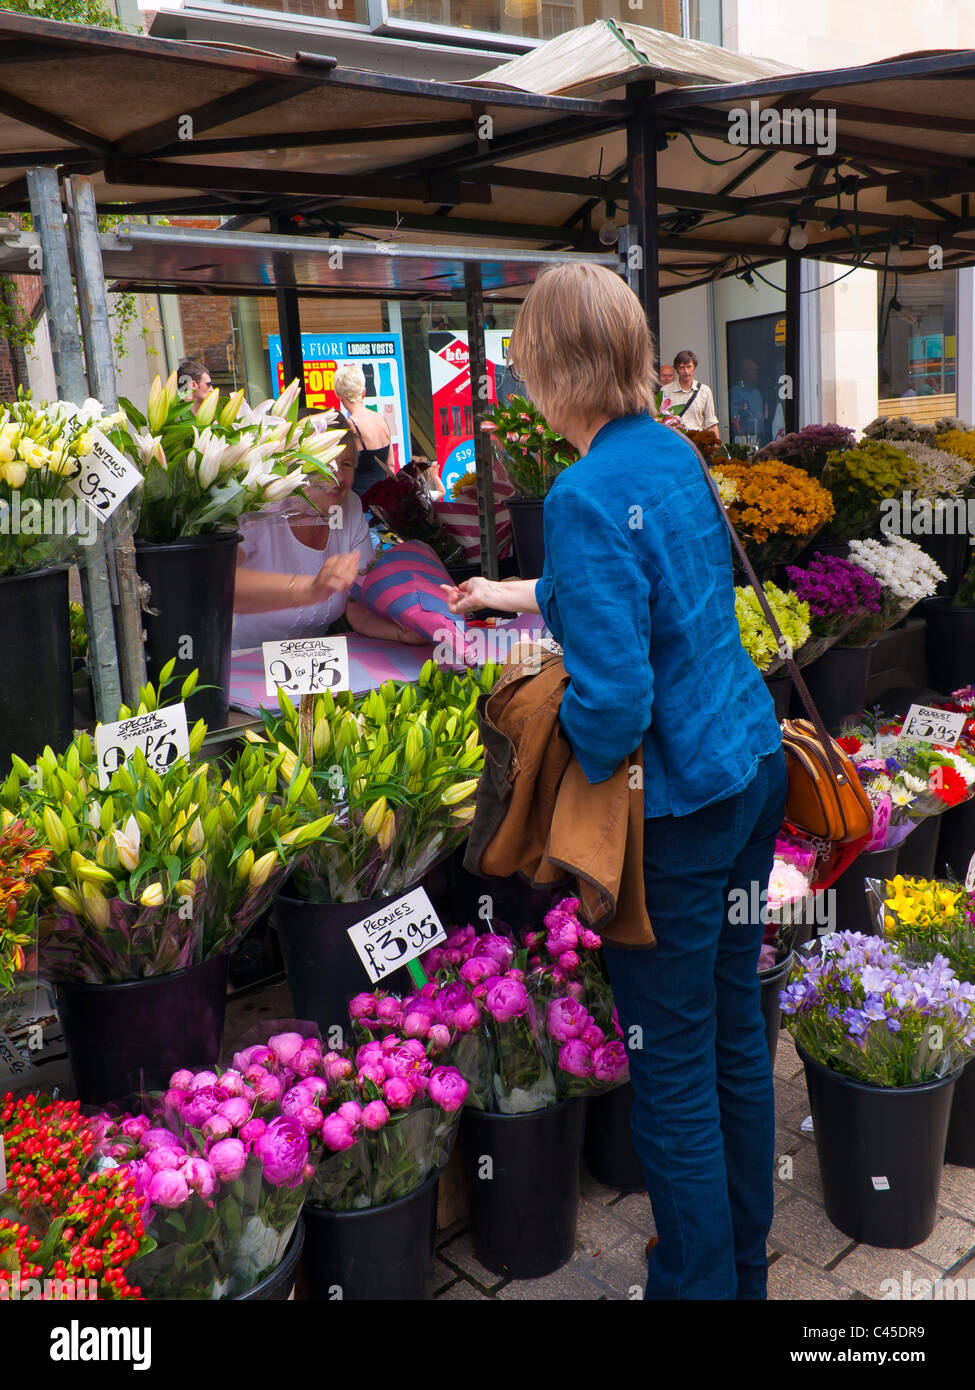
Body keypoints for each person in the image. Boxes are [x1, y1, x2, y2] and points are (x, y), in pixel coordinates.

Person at [443, 262, 785, 1302]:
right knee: (732, 1030)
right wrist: (517, 589)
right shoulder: (671, 451)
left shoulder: (581, 491)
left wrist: (571, 769)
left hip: (678, 812)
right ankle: (744, 1265)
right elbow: (662, 579)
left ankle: (696, 1284)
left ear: (548, 367)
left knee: (671, 1066)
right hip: (751, 768)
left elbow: (616, 699)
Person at [232, 433, 427, 649]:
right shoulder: (257, 507)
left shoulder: (349, 506)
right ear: (296, 463)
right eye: (325, 462)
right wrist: (310, 589)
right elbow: (223, 586)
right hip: (242, 661)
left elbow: (356, 603)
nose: (338, 477)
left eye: (346, 464)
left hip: (315, 666)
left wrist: (402, 632)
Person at [334, 362, 393, 498]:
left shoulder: (350, 425)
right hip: (383, 499)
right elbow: (390, 464)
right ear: (364, 392)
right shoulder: (381, 418)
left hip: (361, 501)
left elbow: (341, 469)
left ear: (339, 395)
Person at [667, 349, 720, 439]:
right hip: (675, 441)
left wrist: (716, 448)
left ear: (694, 367)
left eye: (689, 367)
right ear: (677, 369)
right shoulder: (666, 391)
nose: (686, 371)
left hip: (697, 442)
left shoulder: (704, 391)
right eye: (682, 367)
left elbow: (711, 423)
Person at [728, 359, 768, 446]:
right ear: (744, 372)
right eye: (752, 370)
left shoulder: (756, 391)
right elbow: (734, 418)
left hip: (759, 438)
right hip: (744, 439)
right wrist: (743, 439)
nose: (756, 373)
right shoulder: (736, 392)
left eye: (756, 370)